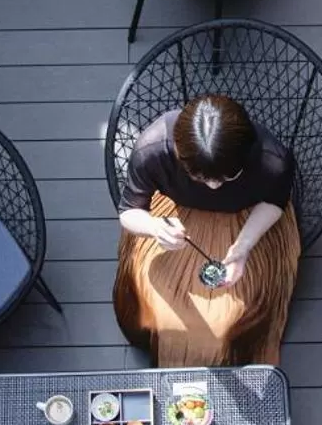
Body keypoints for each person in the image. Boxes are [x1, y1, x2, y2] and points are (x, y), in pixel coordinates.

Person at [113, 94, 301, 366]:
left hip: (248, 219)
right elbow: (129, 212)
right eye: (200, 177)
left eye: (228, 176)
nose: (214, 186)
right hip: (173, 216)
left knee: (232, 315)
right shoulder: (153, 149)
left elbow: (274, 203)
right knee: (158, 305)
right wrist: (154, 227)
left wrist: (243, 247)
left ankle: (229, 359)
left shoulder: (272, 159)